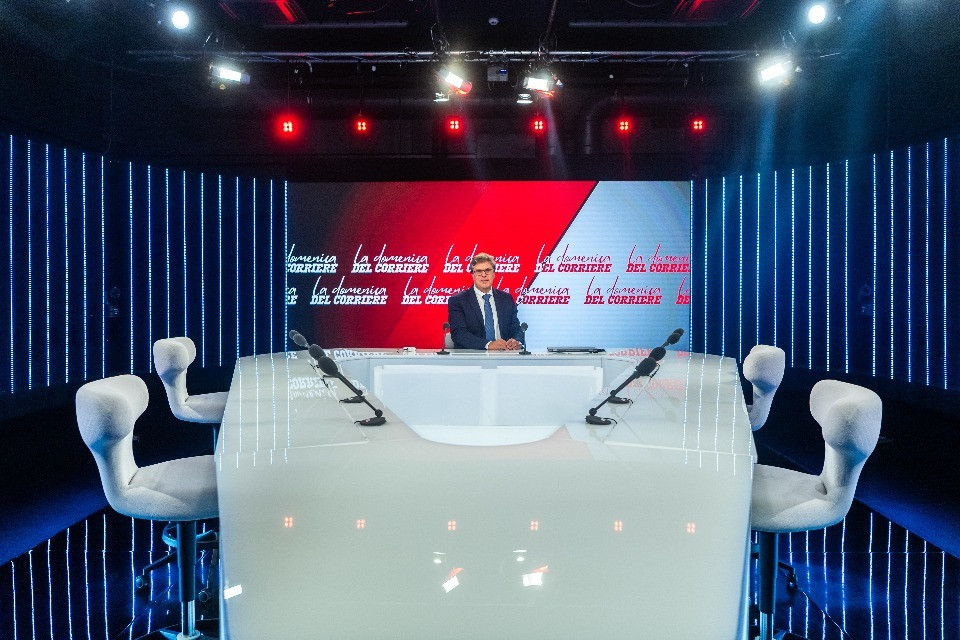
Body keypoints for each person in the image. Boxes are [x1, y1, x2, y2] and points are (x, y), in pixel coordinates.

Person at [447, 252, 523, 350]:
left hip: (504, 354)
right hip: (472, 355)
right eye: (479, 271)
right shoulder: (458, 301)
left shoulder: (506, 299)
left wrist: (516, 341)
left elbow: (517, 329)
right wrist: (488, 345)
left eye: (488, 270)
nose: (483, 275)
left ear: (494, 274)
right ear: (472, 275)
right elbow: (459, 334)